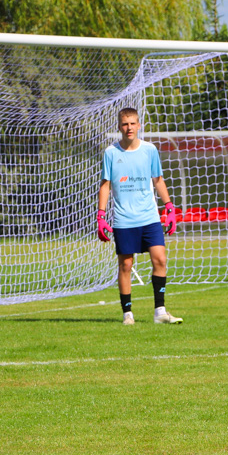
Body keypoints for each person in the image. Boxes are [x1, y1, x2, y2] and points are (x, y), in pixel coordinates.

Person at [96, 107, 183, 325]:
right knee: (125, 265)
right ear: (119, 126)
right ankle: (127, 314)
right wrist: (101, 215)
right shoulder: (111, 153)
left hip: (149, 217)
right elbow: (105, 185)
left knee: (160, 259)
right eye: (125, 124)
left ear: (139, 125)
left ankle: (160, 312)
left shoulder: (150, 150)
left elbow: (158, 180)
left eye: (133, 123)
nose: (129, 128)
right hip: (124, 220)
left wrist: (170, 208)